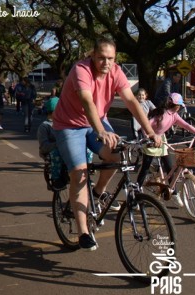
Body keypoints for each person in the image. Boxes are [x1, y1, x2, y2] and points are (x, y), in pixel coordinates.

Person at [52, 37, 161, 251]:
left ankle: (97, 191)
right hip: (69, 125)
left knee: (118, 155)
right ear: (93, 55)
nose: (106, 63)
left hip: (97, 121)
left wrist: (150, 131)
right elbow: (87, 101)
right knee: (79, 172)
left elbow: (131, 101)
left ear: (115, 58)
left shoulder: (116, 72)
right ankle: (83, 232)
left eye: (110, 58)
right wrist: (101, 131)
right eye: (101, 58)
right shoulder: (81, 70)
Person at [136, 92, 195, 207]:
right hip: (152, 140)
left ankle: (173, 193)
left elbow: (186, 125)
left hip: (162, 140)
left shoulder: (174, 115)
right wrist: (148, 137)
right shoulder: (161, 115)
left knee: (170, 168)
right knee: (145, 168)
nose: (179, 107)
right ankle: (136, 193)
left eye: (179, 106)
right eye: (178, 105)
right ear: (172, 104)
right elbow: (146, 126)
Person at [38, 97, 93, 190]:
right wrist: (60, 144)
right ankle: (56, 179)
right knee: (56, 153)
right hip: (53, 150)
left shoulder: (68, 123)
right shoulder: (45, 126)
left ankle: (86, 176)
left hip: (68, 147)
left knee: (87, 150)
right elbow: (44, 146)